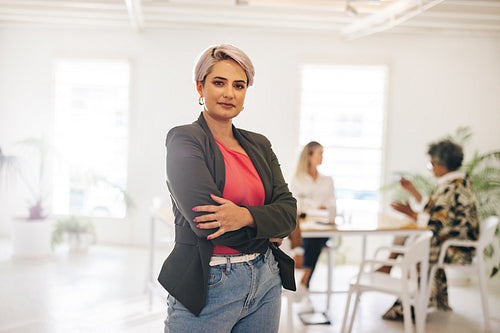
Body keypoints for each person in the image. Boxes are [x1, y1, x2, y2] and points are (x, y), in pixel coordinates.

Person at [158, 44, 297, 333]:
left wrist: (244, 216)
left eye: (239, 85)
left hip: (266, 280)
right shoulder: (185, 139)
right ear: (201, 87)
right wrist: (266, 226)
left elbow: (289, 213)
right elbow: (206, 223)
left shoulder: (259, 144)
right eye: (219, 82)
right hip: (209, 282)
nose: (229, 93)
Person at [383, 139, 480, 320]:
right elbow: (436, 211)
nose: (431, 168)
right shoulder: (458, 182)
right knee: (411, 235)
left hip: (456, 247)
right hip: (456, 241)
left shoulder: (451, 187)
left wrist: (411, 213)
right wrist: (413, 192)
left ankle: (410, 304)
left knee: (416, 247)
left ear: (441, 164)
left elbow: (436, 224)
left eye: (432, 164)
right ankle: (423, 297)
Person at [288, 141, 336, 313]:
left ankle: (302, 282)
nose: (322, 157)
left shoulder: (327, 180)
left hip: (323, 227)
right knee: (313, 241)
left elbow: (331, 205)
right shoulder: (297, 180)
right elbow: (296, 207)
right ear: (309, 155)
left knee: (318, 237)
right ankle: (304, 286)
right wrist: (315, 207)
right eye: (319, 153)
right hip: (304, 229)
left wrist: (312, 207)